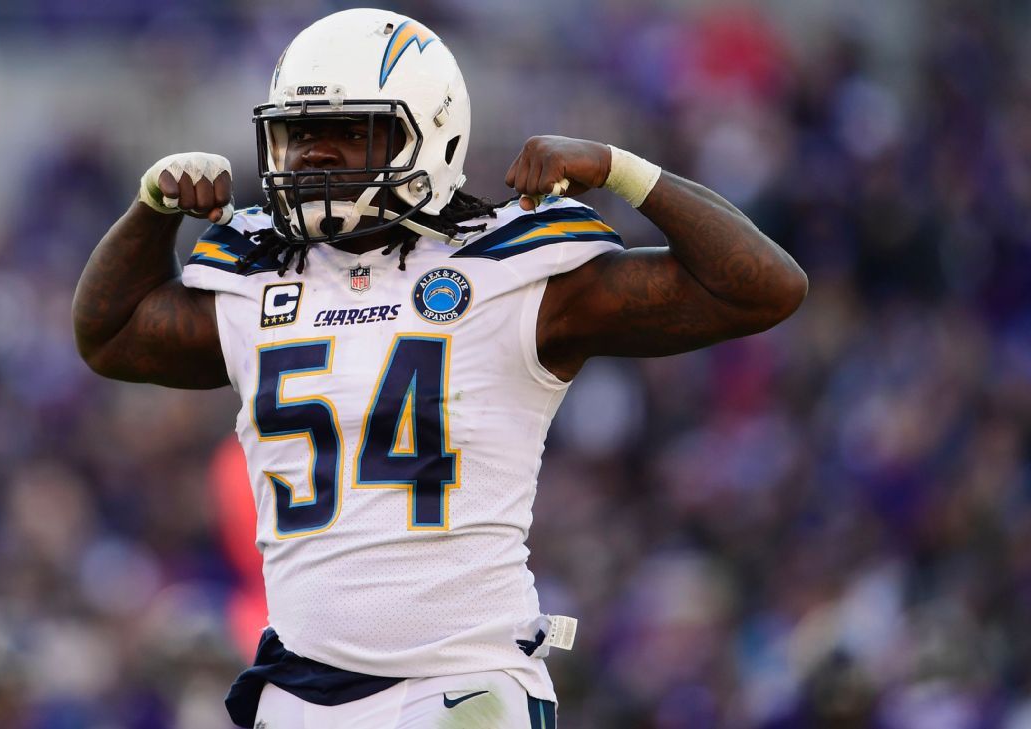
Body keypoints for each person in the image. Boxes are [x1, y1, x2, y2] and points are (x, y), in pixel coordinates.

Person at [72, 8, 807, 728]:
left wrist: (624, 170)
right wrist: (151, 210)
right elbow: (108, 336)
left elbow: (763, 288)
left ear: (428, 134)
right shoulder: (255, 272)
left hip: (461, 685)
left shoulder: (512, 269)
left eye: (349, 133)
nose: (316, 156)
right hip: (298, 686)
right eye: (301, 134)